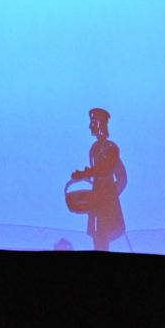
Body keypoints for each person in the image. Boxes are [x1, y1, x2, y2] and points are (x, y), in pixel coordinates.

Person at [71, 107, 126, 251]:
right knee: (97, 235)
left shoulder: (111, 148)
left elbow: (106, 170)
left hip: (106, 202)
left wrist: (110, 195)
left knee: (103, 234)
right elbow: (97, 172)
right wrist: (85, 176)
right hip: (97, 200)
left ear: (101, 123)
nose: (90, 126)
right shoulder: (94, 148)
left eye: (93, 122)